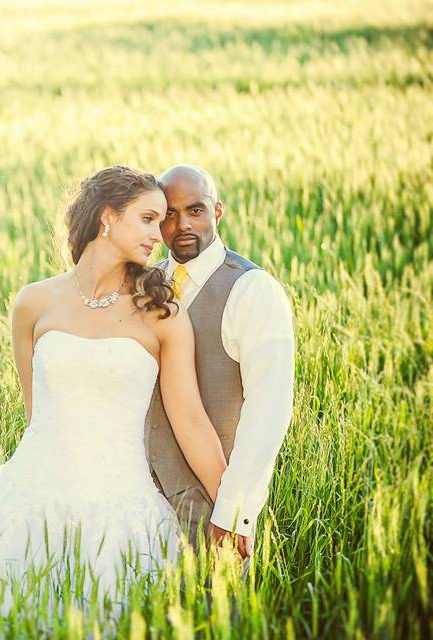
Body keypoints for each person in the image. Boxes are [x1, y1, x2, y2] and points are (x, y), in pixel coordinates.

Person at [0, 165, 229, 632]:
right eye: (148, 219)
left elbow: (191, 422)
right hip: (29, 504)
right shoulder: (33, 303)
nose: (161, 234)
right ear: (107, 219)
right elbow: (36, 414)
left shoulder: (161, 315)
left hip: (119, 509)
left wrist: (232, 511)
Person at [145, 164, 295, 566]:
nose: (182, 226)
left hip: (214, 509)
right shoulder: (144, 285)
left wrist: (233, 513)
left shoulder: (253, 290)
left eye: (195, 211)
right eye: (169, 215)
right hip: (141, 503)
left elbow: (269, 410)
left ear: (218, 212)